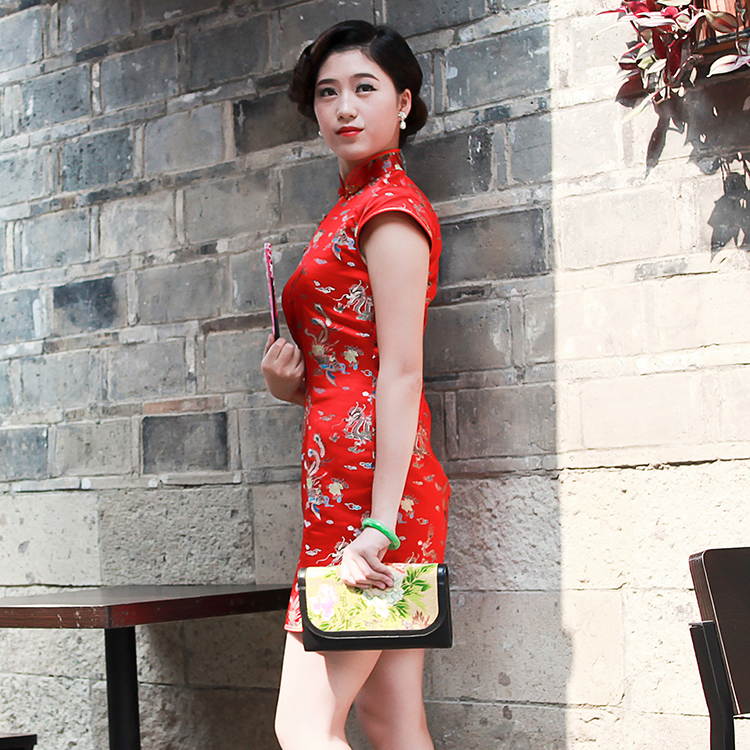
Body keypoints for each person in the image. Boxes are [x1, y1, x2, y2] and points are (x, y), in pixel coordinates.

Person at [261, 20, 450, 750]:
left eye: (364, 88)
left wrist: (379, 525)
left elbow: (401, 372)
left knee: (304, 725)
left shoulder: (389, 211)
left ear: (402, 103)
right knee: (392, 721)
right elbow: (350, 371)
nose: (343, 107)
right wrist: (289, 385)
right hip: (351, 488)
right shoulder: (347, 209)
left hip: (373, 503)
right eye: (327, 92)